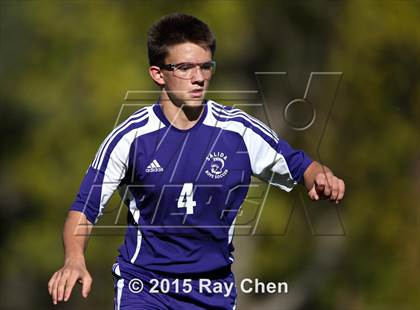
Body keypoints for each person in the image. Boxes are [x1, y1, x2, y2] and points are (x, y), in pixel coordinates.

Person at [47, 13, 345, 309]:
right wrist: (74, 260)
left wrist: (321, 177)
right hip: (145, 289)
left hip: (212, 292)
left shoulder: (238, 131)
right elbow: (82, 212)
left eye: (205, 66)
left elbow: (303, 167)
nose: (199, 77)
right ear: (158, 74)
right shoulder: (131, 138)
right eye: (185, 67)